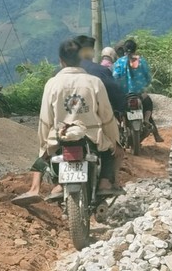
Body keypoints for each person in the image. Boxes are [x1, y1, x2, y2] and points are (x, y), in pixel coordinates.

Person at [12, 38, 123, 206]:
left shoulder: (52, 84)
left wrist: (44, 145)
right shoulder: (94, 82)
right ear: (81, 59)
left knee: (45, 154)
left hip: (60, 136)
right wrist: (115, 140)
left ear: (61, 61)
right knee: (111, 150)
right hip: (91, 136)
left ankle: (44, 186)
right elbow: (106, 116)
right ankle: (106, 182)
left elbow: (45, 119)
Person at [113, 38, 164, 143]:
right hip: (138, 94)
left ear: (124, 49)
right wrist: (144, 84)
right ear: (135, 49)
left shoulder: (119, 62)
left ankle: (118, 125)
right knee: (148, 103)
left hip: (124, 95)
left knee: (115, 110)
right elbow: (148, 77)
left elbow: (115, 76)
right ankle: (146, 121)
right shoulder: (140, 60)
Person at [75, 35, 127, 115]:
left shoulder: (59, 75)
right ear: (92, 52)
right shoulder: (102, 71)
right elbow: (115, 95)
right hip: (95, 122)